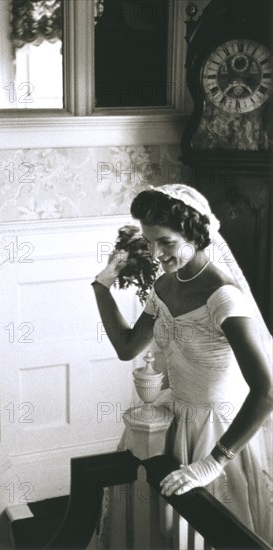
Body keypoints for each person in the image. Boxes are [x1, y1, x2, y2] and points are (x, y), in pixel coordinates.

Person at [91, 184, 272, 542]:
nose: (157, 253)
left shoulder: (222, 296)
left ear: (195, 233)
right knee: (165, 532)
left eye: (167, 243)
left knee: (214, 533)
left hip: (217, 431)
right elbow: (127, 347)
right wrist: (101, 285)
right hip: (173, 419)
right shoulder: (164, 286)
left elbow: (266, 391)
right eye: (151, 242)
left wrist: (213, 462)